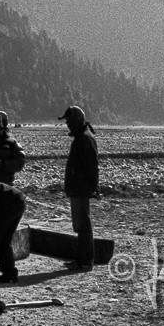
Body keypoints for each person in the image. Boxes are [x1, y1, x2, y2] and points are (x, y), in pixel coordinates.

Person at [60, 105, 99, 270]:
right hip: (78, 187)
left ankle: (85, 261)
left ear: (75, 120)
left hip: (81, 188)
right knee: (81, 224)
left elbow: (92, 166)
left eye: (68, 121)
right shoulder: (82, 137)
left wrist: (94, 187)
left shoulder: (84, 139)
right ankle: (82, 260)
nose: (67, 124)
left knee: (83, 224)